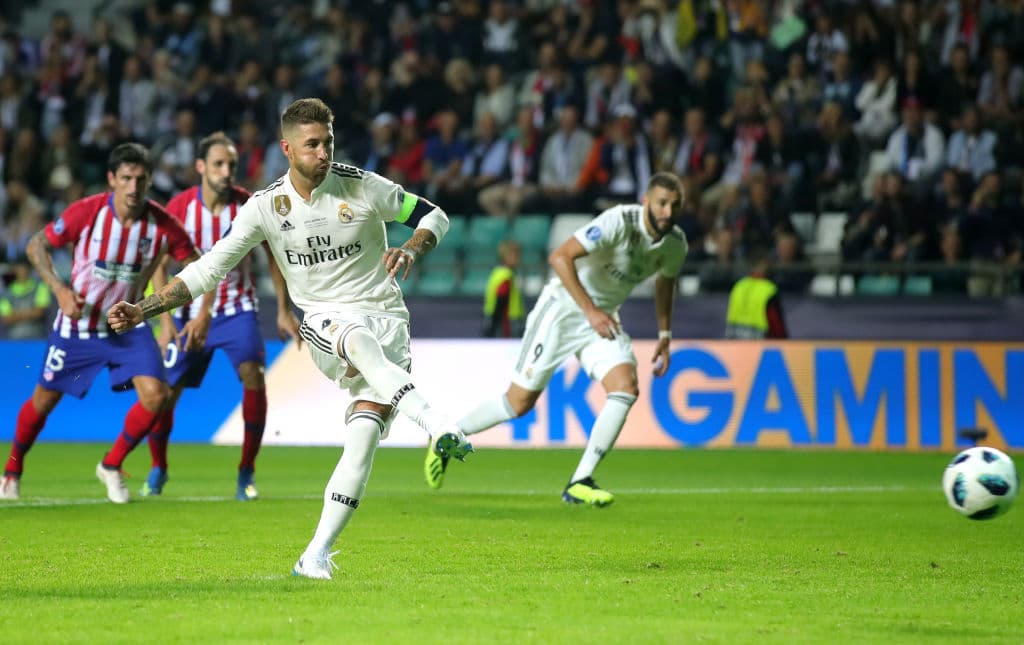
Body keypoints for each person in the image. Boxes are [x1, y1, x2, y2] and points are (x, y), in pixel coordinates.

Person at [107, 98, 473, 579]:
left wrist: (411, 244)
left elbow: (434, 216)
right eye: (312, 145)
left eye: (328, 143)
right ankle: (437, 421)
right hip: (326, 321)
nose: (323, 153)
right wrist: (143, 309)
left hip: (389, 319)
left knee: (362, 441)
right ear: (287, 148)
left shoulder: (363, 186)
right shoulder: (265, 208)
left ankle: (315, 554)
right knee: (357, 340)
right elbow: (206, 270)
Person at [425, 172, 688, 506]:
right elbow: (560, 257)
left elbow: (666, 282)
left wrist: (665, 333)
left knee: (625, 388)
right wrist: (591, 311)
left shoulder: (675, 243)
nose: (668, 212)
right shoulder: (618, 222)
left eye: (675, 205)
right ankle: (448, 435)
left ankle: (580, 480)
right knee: (517, 403)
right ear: (646, 201)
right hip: (563, 309)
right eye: (662, 203)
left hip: (602, 318)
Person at [0, 143, 199, 503]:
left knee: (158, 397)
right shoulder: (87, 212)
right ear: (112, 179)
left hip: (128, 327)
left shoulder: (164, 225)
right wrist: (59, 289)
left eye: (141, 179)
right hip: (77, 328)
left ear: (150, 180)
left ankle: (111, 464)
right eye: (126, 178)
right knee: (42, 402)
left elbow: (197, 270)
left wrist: (157, 309)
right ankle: (11, 471)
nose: (134, 187)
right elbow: (35, 246)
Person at [143, 131, 302, 501]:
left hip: (236, 310)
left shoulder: (249, 204)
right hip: (185, 313)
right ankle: (158, 467)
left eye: (231, 164)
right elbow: (158, 264)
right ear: (200, 167)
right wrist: (165, 321)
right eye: (218, 164)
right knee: (164, 395)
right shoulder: (180, 207)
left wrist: (282, 308)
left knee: (253, 374)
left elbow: (274, 257)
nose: (226, 170)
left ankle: (246, 471)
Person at [724, 252, 788, 340]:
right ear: (764, 264)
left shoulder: (739, 286)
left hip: (734, 342)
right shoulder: (769, 289)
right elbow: (775, 324)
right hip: (759, 344)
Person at [0, 257, 52, 339]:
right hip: (13, 339)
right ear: (14, 270)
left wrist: (15, 314)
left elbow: (39, 312)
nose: (22, 271)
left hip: (37, 338)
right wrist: (31, 312)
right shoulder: (6, 293)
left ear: (29, 269)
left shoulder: (40, 287)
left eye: (24, 268)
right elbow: (6, 319)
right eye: (19, 268)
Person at [482, 240, 524, 338]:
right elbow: (501, 302)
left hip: (494, 318)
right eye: (515, 256)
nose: (518, 259)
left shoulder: (497, 273)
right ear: (505, 257)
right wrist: (495, 326)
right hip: (507, 322)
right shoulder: (506, 276)